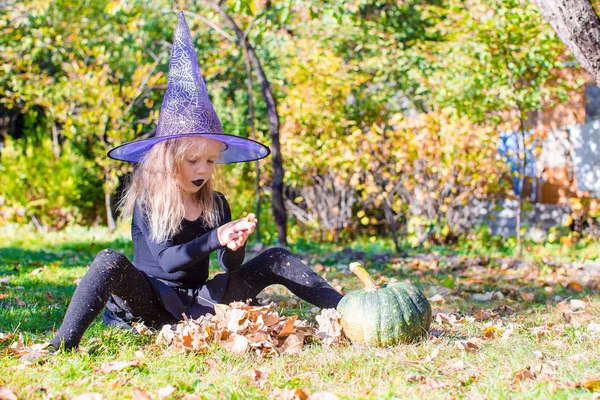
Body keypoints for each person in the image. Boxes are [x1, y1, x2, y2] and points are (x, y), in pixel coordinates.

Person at [49, 12, 342, 351]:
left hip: (200, 304)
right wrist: (216, 236)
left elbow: (227, 266)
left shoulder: (214, 202)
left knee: (275, 257)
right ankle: (63, 342)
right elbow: (169, 262)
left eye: (210, 160)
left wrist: (234, 244)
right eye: (192, 160)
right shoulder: (150, 200)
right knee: (109, 260)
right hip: (153, 302)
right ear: (169, 159)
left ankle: (345, 308)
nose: (202, 169)